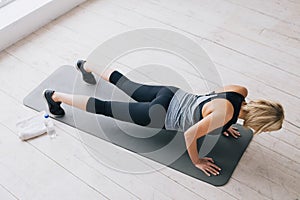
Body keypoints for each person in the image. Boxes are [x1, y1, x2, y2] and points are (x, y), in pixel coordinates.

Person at [43, 60, 285, 176]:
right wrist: (197, 160)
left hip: (171, 93)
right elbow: (190, 134)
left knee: (127, 84)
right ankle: (55, 96)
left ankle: (87, 65)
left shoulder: (240, 91)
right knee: (106, 108)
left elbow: (214, 102)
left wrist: (224, 124)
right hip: (159, 115)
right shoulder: (225, 116)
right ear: (259, 122)